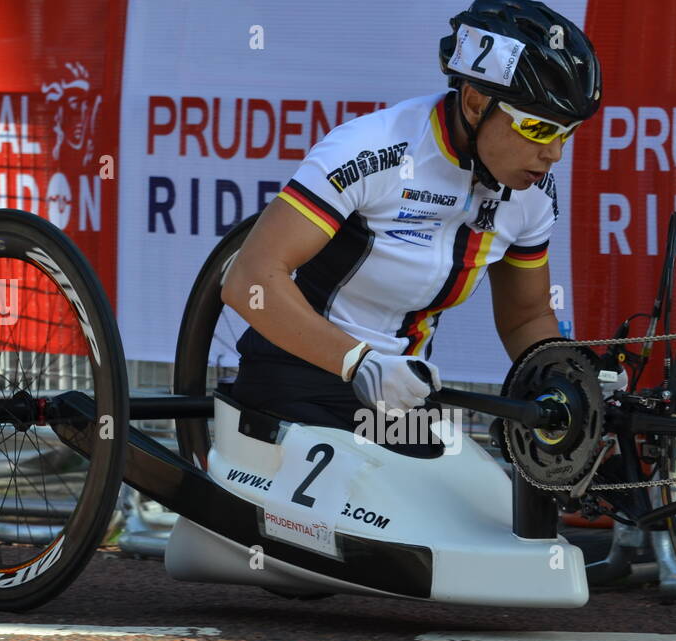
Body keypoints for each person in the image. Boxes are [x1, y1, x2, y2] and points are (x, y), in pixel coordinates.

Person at [221, 0, 601, 454]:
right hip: (298, 378)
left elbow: (526, 318)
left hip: (402, 398)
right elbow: (248, 281)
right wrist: (357, 362)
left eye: (567, 132)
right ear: (476, 103)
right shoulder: (373, 148)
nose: (554, 153)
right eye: (538, 130)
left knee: (476, 506)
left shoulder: (533, 194)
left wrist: (574, 386)